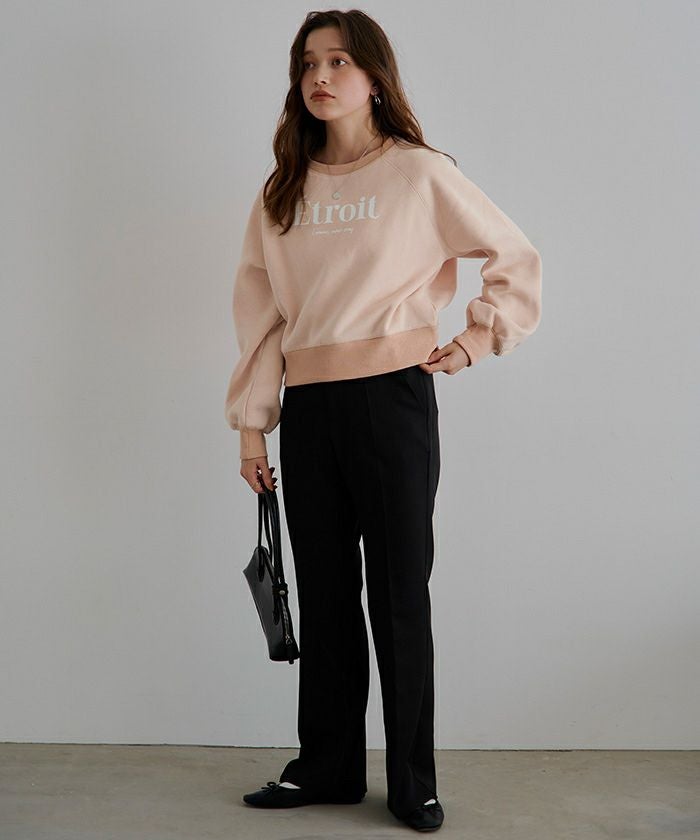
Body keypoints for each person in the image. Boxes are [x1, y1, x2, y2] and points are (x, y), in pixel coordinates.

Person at [224, 9, 542, 833]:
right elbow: (262, 317)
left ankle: (412, 782)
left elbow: (514, 258)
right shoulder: (282, 190)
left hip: (393, 398)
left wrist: (475, 342)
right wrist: (253, 424)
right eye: (308, 64)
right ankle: (327, 766)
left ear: (374, 77)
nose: (320, 77)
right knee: (327, 596)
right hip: (310, 408)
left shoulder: (418, 173)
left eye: (338, 62)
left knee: (399, 594)